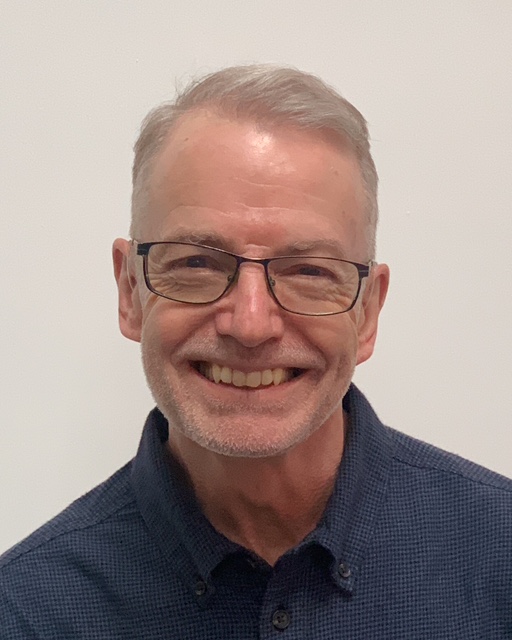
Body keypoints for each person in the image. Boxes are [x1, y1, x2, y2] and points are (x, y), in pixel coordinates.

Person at [1, 64, 511, 639]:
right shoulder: (25, 612)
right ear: (129, 292)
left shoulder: (500, 556)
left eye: (310, 271)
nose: (250, 324)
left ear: (367, 312)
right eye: (196, 263)